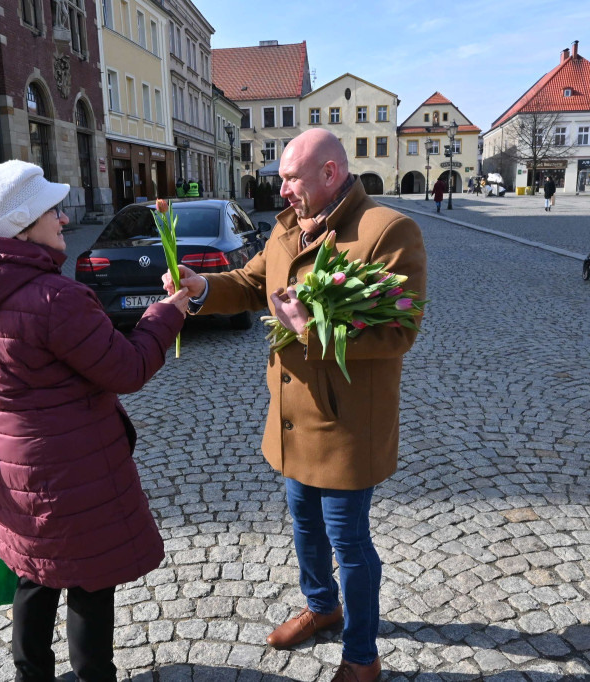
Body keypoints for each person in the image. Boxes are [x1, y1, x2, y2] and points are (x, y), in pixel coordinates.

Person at [162, 129, 426, 682]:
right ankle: (321, 605)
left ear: (330, 174)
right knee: (304, 525)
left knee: (349, 541)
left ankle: (361, 656)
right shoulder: (285, 231)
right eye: (280, 178)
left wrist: (314, 331)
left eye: (291, 178)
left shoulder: (385, 231)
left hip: (347, 423)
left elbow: (399, 331)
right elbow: (249, 283)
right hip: (290, 417)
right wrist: (200, 288)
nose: (280, 189)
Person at [0, 160, 189, 682]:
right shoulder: (56, 298)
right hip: (72, 473)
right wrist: (168, 312)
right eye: (52, 209)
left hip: (10, 471)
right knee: (90, 584)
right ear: (23, 222)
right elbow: (127, 368)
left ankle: (31, 676)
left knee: (33, 577)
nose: (62, 217)